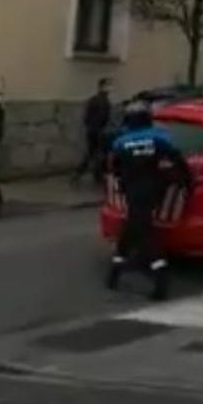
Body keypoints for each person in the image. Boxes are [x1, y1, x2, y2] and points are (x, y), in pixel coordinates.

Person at [107, 101, 192, 300]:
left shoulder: (121, 142)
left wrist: (119, 184)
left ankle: (160, 277)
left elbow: (114, 168)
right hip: (154, 189)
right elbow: (177, 159)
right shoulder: (159, 138)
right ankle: (115, 272)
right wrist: (185, 181)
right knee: (131, 228)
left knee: (143, 232)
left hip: (132, 190)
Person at [73, 78, 113, 185]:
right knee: (97, 153)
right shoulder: (100, 101)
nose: (110, 88)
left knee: (93, 153)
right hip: (96, 130)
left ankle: (82, 173)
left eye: (110, 85)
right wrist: (97, 128)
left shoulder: (100, 100)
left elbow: (89, 117)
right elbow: (95, 117)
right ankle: (93, 175)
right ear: (101, 87)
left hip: (94, 130)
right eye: (107, 85)